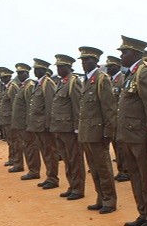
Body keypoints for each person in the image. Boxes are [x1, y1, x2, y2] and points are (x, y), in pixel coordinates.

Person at [115, 37, 147, 226]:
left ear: (135, 53)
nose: (121, 56)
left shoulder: (146, 74)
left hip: (142, 137)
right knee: (136, 176)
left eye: (124, 52)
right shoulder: (131, 75)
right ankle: (143, 213)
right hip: (129, 136)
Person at [77, 46, 118, 214]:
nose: (85, 63)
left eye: (88, 60)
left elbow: (109, 109)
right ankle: (100, 197)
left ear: (96, 61)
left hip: (98, 133)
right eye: (83, 60)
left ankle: (109, 200)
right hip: (87, 132)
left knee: (103, 168)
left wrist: (108, 133)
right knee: (93, 168)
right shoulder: (86, 80)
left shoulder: (102, 79)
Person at [51, 54, 85, 200]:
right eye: (57, 67)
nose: (58, 69)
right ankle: (72, 185)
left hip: (70, 129)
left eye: (61, 67)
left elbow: (77, 106)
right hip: (60, 128)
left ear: (69, 67)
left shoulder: (73, 82)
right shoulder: (61, 83)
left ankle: (78, 188)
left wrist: (78, 128)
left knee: (75, 159)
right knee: (66, 159)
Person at [28, 58, 59, 189]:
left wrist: (49, 124)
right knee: (45, 151)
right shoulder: (38, 84)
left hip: (44, 125)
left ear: (44, 70)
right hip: (38, 125)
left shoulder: (48, 83)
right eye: (35, 68)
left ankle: (53, 178)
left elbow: (50, 105)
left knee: (50, 151)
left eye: (38, 69)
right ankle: (49, 176)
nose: (35, 71)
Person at [11, 63, 41, 180]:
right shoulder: (23, 86)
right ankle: (31, 169)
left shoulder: (29, 86)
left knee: (31, 147)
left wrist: (30, 123)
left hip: (26, 123)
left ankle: (34, 170)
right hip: (21, 124)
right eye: (18, 73)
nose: (19, 75)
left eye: (21, 73)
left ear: (27, 73)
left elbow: (30, 106)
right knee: (27, 146)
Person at [105, 55, 129, 182]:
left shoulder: (122, 79)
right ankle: (121, 169)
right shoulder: (110, 80)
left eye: (111, 66)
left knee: (122, 146)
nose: (108, 68)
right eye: (107, 66)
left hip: (120, 119)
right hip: (112, 119)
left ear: (117, 67)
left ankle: (126, 170)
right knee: (116, 146)